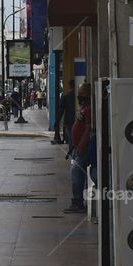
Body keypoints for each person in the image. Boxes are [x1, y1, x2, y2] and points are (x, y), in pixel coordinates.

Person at [64, 82, 92, 214]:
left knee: (76, 173)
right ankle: (78, 200)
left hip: (82, 148)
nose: (79, 96)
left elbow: (88, 128)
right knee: (76, 173)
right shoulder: (83, 108)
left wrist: (80, 145)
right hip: (77, 148)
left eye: (82, 94)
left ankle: (78, 202)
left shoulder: (89, 109)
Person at [55, 78, 76, 147]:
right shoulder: (78, 95)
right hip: (78, 120)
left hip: (69, 121)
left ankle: (72, 154)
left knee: (71, 138)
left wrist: (57, 122)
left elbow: (61, 110)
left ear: (69, 86)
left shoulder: (66, 96)